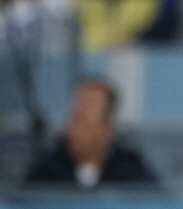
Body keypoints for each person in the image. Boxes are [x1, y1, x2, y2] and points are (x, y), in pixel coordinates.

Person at [25, 78, 157, 188]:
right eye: (72, 119)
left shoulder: (132, 174)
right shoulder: (46, 173)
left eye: (83, 122)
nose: (72, 130)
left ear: (106, 129)